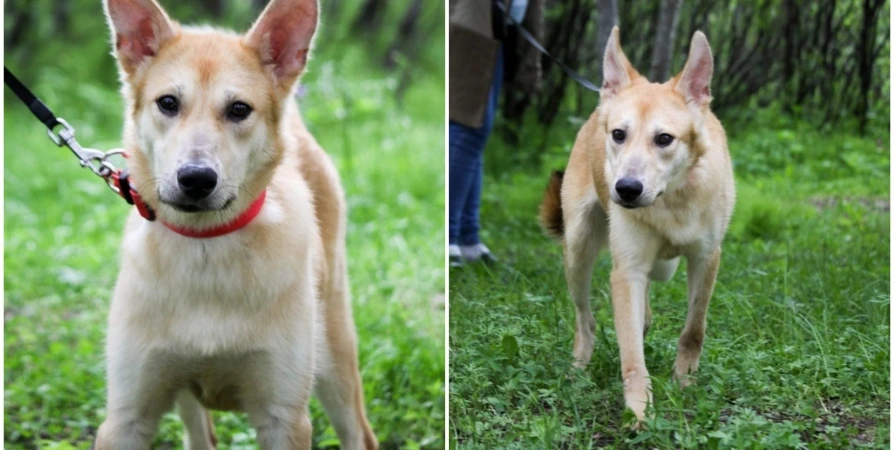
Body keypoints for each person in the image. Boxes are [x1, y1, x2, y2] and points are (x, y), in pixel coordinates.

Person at [448, 0, 542, 267]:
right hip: (471, 25)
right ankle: (450, 235)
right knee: (467, 128)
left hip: (495, 29)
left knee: (476, 130)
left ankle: (467, 236)